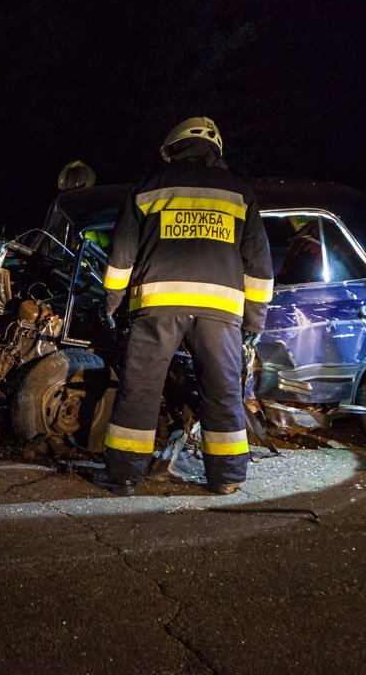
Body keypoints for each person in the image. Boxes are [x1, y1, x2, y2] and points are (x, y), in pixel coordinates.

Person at [94, 117, 273, 496]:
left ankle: (124, 474)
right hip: (220, 313)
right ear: (216, 151)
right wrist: (254, 321)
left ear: (171, 149)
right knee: (222, 391)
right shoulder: (239, 193)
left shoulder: (148, 187)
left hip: (156, 306)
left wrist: (111, 302)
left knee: (140, 389)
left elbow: (121, 254)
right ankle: (227, 477)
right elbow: (258, 265)